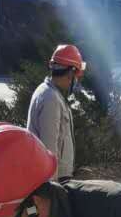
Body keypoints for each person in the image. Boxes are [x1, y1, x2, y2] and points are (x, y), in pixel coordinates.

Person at [27, 42, 85, 178]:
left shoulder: (49, 92)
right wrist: (52, 187)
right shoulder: (51, 99)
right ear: (70, 73)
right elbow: (49, 148)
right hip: (54, 179)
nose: (75, 81)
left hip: (57, 176)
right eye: (75, 75)